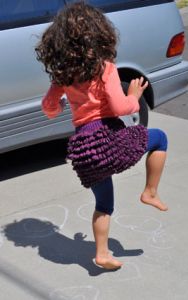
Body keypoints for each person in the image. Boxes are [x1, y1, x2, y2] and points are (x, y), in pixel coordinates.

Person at [35, 2, 168, 270]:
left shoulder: (63, 74)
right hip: (108, 140)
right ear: (100, 34)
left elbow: (48, 107)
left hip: (85, 149)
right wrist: (134, 97)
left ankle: (102, 254)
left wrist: (60, 105)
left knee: (104, 204)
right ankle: (150, 191)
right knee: (160, 138)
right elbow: (120, 107)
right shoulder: (105, 67)